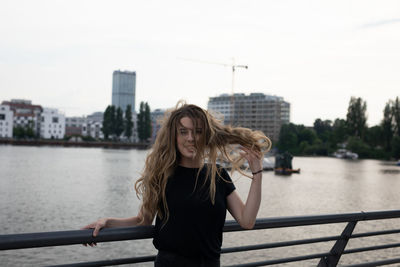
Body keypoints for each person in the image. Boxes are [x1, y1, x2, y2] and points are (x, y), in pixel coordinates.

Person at [83, 102, 271, 267]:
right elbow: (143, 220)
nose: (190, 138)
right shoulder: (162, 176)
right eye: (183, 132)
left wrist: (257, 173)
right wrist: (107, 222)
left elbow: (247, 221)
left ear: (205, 136)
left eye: (197, 131)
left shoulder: (218, 175)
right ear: (174, 137)